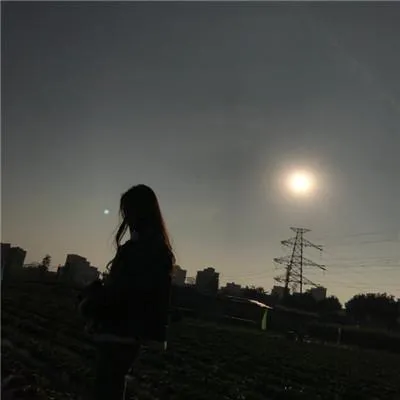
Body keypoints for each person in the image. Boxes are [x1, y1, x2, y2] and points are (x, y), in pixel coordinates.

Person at [79, 184, 175, 400]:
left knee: (107, 387)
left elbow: (128, 292)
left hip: (120, 329)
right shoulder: (153, 247)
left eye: (128, 210)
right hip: (126, 331)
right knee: (111, 385)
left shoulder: (143, 249)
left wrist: (95, 298)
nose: (126, 217)